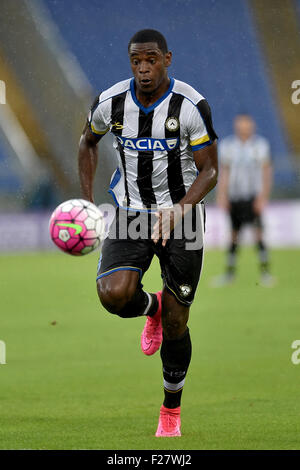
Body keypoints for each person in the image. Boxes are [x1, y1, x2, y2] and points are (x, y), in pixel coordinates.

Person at [78, 29, 218, 437]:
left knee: (178, 323)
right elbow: (87, 143)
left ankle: (170, 409)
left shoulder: (190, 105)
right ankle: (150, 308)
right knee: (113, 295)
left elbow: (209, 170)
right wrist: (87, 201)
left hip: (185, 217)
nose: (143, 68)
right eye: (136, 61)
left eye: (151, 60)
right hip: (131, 212)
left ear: (167, 59)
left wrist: (182, 209)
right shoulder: (111, 102)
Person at [214, 113, 274, 287]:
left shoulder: (260, 146)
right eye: (241, 124)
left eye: (246, 124)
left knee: (258, 234)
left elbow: (266, 172)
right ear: (236, 126)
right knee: (233, 235)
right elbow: (224, 173)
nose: (244, 127)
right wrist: (222, 195)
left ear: (252, 126)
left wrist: (263, 197)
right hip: (234, 198)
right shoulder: (228, 146)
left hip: (252, 197)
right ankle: (229, 274)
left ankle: (265, 273)